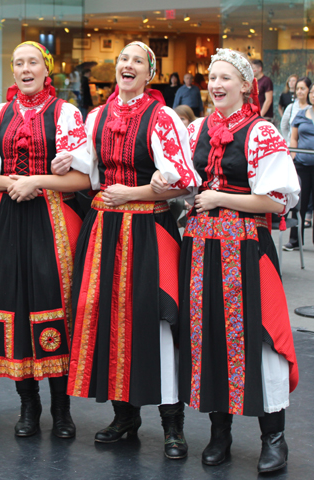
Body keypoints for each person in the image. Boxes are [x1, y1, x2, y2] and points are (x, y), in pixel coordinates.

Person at [153, 48, 300, 474]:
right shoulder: (197, 129)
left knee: (261, 339)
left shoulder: (261, 132)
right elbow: (184, 183)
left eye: (225, 78)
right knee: (210, 340)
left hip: (248, 251)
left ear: (244, 86)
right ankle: (221, 434)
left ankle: (274, 437)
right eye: (211, 78)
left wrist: (220, 197)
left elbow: (276, 199)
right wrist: (166, 181)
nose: (216, 85)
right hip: (200, 252)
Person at [67, 41, 199, 460]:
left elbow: (185, 181)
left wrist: (135, 192)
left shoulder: (161, 117)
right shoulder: (96, 115)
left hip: (148, 230)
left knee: (154, 320)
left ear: (149, 73)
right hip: (105, 228)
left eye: (137, 61)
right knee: (109, 320)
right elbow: (85, 173)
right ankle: (125, 416)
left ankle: (172, 424)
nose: (128, 65)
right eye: (123, 59)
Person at [0, 41, 91, 439]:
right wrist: (16, 184)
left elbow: (84, 179)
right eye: (18, 62)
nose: (24, 68)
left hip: (50, 222)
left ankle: (61, 407)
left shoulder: (66, 113)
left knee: (52, 304)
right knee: (12, 304)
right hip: (5, 219)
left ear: (45, 69)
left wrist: (37, 182)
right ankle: (28, 403)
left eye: (32, 62)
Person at [287, 82, 314, 249]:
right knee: (300, 203)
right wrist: (293, 153)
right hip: (302, 164)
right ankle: (295, 240)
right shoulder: (301, 114)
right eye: (312, 92)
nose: (313, 95)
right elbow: (294, 138)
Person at [280, 76, 311, 146]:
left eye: (302, 89)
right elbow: (283, 126)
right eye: (297, 89)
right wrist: (289, 141)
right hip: (293, 148)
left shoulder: (311, 108)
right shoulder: (291, 107)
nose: (299, 91)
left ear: (309, 90)